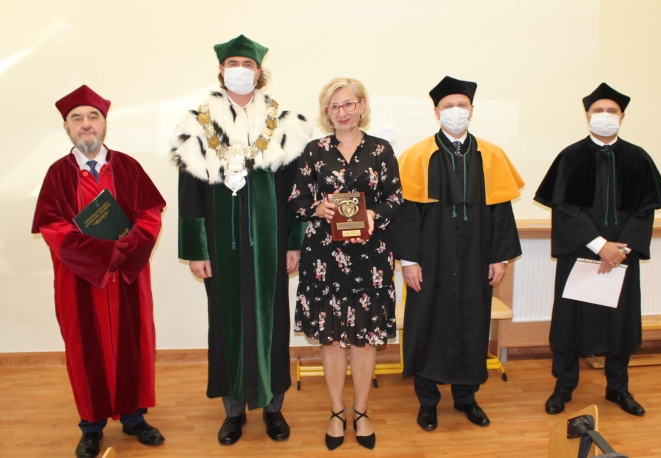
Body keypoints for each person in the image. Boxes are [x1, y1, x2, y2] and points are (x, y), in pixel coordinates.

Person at [169, 34, 311, 446]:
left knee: (272, 323)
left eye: (247, 65)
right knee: (225, 324)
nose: (240, 70)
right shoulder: (197, 124)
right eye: (233, 63)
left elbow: (296, 192)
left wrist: (294, 242)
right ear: (221, 69)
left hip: (270, 245)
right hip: (221, 245)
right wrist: (195, 250)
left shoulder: (284, 124)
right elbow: (189, 192)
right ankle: (232, 412)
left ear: (259, 71)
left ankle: (273, 407)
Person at [31, 85, 166, 458]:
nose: (86, 124)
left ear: (105, 123)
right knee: (84, 349)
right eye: (77, 118)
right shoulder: (58, 175)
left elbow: (150, 217)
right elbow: (53, 229)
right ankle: (91, 426)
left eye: (93, 117)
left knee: (134, 342)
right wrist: (103, 253)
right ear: (66, 127)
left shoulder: (128, 167)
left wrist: (123, 251)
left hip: (127, 278)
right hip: (79, 281)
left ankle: (134, 417)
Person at [390, 76, 523, 432]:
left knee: (472, 325)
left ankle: (467, 398)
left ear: (472, 110)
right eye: (448, 106)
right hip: (430, 259)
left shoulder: (491, 155)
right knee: (426, 324)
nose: (456, 111)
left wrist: (500, 257)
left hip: (476, 257)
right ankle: (427, 402)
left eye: (461, 105)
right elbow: (406, 214)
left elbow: (501, 211)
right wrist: (409, 261)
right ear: (436, 112)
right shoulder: (417, 156)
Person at [535, 83, 661, 417]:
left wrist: (620, 249)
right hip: (579, 251)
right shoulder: (570, 157)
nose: (604, 116)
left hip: (622, 255)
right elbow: (564, 210)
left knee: (620, 321)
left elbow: (645, 211)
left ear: (622, 116)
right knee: (570, 321)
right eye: (598, 111)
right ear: (587, 116)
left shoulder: (638, 158)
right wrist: (600, 245)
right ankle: (564, 387)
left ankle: (618, 388)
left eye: (611, 111)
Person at [289, 77, 403, 450]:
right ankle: (337, 412)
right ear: (327, 112)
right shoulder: (314, 151)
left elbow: (395, 198)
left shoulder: (381, 149)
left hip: (371, 258)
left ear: (362, 106)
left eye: (349, 104)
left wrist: (372, 215)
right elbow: (295, 201)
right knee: (332, 338)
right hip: (325, 259)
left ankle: (361, 411)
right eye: (335, 106)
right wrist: (317, 208)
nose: (342, 112)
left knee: (365, 339)